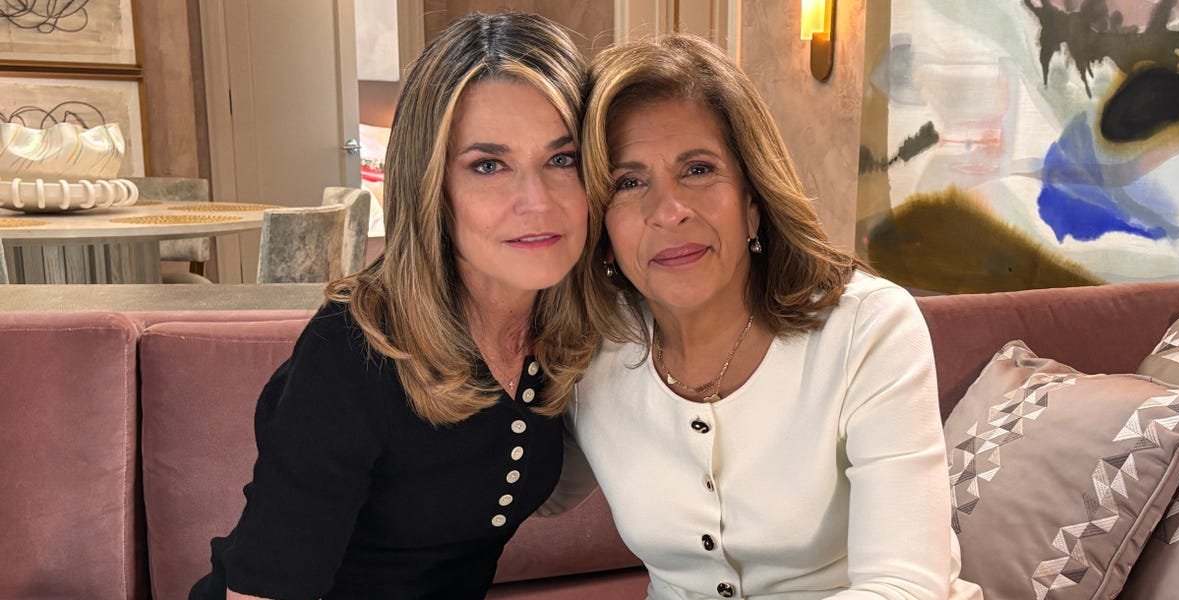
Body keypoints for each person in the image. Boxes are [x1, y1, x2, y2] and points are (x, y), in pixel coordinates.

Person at [543, 34, 983, 599]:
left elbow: (904, 586)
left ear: (753, 201)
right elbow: (519, 494)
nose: (669, 212)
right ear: (601, 228)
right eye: (628, 183)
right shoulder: (592, 351)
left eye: (697, 170)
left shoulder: (868, 327)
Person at [190, 12, 596, 599]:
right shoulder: (355, 348)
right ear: (431, 184)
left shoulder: (574, 329)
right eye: (488, 165)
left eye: (563, 159)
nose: (536, 202)